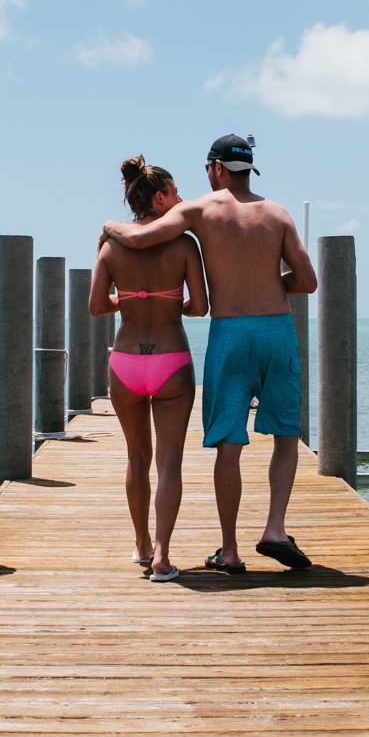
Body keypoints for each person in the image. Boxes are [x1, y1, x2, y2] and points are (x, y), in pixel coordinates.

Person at [102, 134, 317, 573]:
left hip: (229, 333)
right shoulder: (277, 213)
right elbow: (308, 280)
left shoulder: (200, 209)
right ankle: (274, 527)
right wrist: (271, 285)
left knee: (229, 443)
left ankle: (231, 550)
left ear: (216, 168)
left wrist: (110, 227)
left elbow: (142, 239)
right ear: (247, 170)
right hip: (277, 329)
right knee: (285, 435)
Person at [89, 155, 208, 583]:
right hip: (172, 360)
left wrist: (132, 297)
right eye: (175, 192)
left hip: (124, 363)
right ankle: (162, 555)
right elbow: (200, 307)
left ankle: (140, 544)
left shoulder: (111, 246)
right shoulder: (184, 246)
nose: (180, 198)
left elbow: (96, 305)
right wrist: (168, 300)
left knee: (136, 458)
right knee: (169, 463)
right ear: (159, 199)